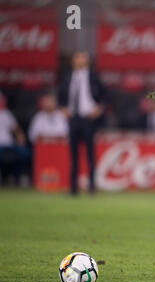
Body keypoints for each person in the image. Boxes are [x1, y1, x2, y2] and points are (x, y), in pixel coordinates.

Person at [58, 51, 106, 195]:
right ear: (73, 61)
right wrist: (63, 108)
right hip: (73, 118)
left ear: (87, 61)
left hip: (88, 119)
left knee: (90, 154)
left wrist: (99, 108)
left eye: (83, 58)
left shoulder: (94, 77)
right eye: (77, 57)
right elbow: (60, 95)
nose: (80, 60)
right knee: (73, 154)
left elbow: (106, 95)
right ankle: (73, 188)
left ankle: (92, 187)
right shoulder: (67, 78)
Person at [0, 91, 29, 185]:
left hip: (8, 144)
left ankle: (18, 176)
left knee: (24, 153)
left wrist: (20, 137)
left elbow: (15, 128)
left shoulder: (6, 113)